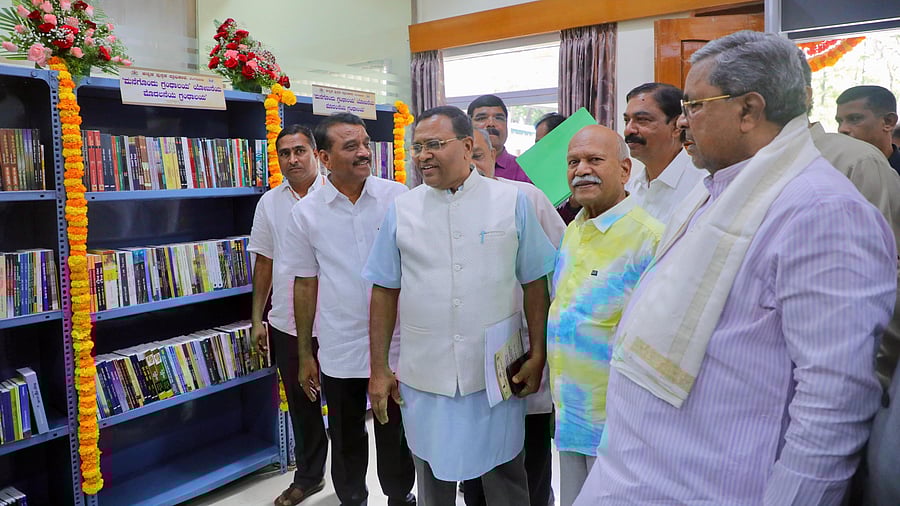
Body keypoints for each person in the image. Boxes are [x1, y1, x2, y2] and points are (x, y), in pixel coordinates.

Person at [575, 31, 897, 504]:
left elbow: (834, 403)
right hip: (646, 473)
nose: (683, 122)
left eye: (695, 105)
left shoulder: (821, 211)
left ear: (749, 110)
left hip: (710, 485)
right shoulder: (717, 189)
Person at [363, 106, 556, 506]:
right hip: (426, 372)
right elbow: (384, 289)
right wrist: (379, 368)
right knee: (433, 477)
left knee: (505, 475)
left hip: (494, 372)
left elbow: (535, 282)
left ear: (468, 146)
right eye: (417, 147)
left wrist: (538, 353)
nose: (423, 156)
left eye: (435, 144)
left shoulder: (511, 201)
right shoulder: (403, 209)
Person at [282, 113, 416, 506]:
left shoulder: (398, 197)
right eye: (350, 146)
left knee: (396, 430)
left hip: (395, 340)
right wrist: (306, 353)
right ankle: (352, 499)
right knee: (345, 434)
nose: (363, 153)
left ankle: (399, 495)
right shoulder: (306, 213)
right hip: (339, 344)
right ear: (324, 157)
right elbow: (304, 284)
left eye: (364, 144)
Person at [548, 124, 662, 506]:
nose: (582, 170)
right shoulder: (574, 230)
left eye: (595, 160)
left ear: (625, 170)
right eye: (573, 162)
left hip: (619, 428)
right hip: (570, 417)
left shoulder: (650, 238)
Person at [464, 127, 565, 506]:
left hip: (523, 348)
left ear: (495, 157)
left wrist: (542, 346)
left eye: (478, 156)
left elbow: (560, 265)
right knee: (477, 465)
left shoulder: (526, 198)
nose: (471, 166)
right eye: (465, 155)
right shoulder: (435, 206)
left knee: (530, 459)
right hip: (471, 361)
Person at [248, 124, 329, 506]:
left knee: (347, 405)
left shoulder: (338, 193)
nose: (293, 159)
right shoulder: (270, 202)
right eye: (285, 153)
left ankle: (363, 483)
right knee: (302, 405)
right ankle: (310, 477)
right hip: (287, 322)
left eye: (300, 151)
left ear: (316, 153)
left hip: (337, 320)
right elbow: (264, 261)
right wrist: (256, 318)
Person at [623, 82, 706, 225]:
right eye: (626, 121)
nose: (628, 130)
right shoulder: (630, 188)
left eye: (642, 120)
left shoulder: (702, 189)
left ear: (677, 126)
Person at [468, 94, 532, 183]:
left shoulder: (526, 171)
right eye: (482, 118)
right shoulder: (457, 169)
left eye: (498, 118)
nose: (491, 123)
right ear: (468, 125)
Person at [836, 85, 900, 172]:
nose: (842, 129)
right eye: (840, 121)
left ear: (888, 122)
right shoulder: (835, 170)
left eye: (854, 119)